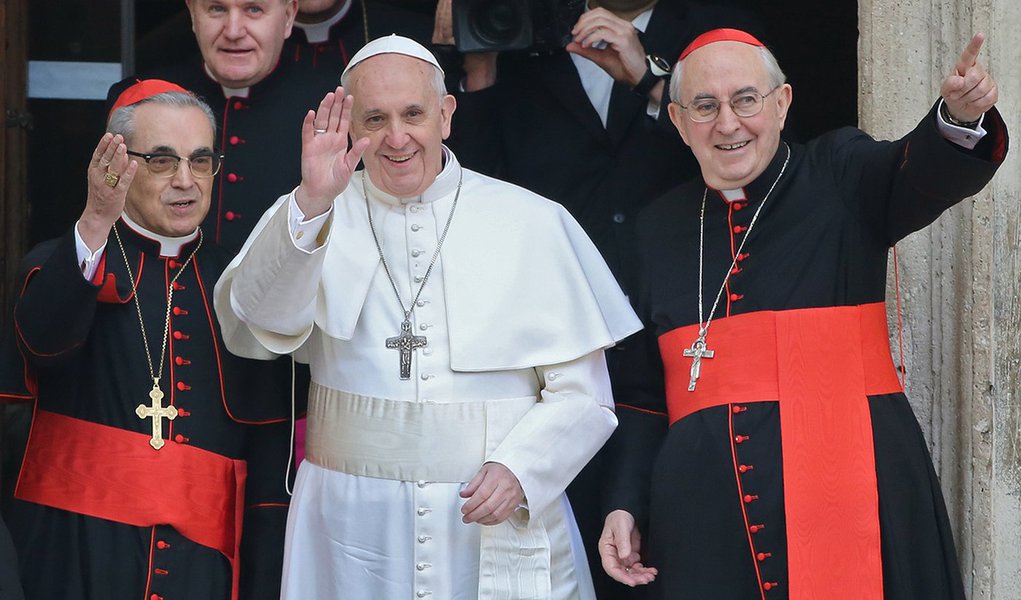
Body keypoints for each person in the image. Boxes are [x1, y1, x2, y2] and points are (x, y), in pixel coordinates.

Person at [214, 34, 641, 599]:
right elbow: (257, 328)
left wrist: (522, 469)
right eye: (375, 118)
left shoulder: (532, 222)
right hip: (350, 527)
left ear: (446, 114)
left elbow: (585, 396)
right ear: (350, 125)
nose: (396, 138)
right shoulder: (313, 211)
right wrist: (313, 201)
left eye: (413, 113)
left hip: (490, 514)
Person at [600, 29, 1007, 599]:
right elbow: (641, 393)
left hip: (854, 484)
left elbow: (915, 174)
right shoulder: (655, 230)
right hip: (704, 521)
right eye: (705, 106)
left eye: (746, 99)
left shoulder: (840, 173)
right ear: (676, 119)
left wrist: (957, 119)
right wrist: (624, 500)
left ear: (783, 103)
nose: (728, 124)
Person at [443, 1, 760, 595]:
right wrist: (478, 64)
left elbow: (745, 161)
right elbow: (474, 189)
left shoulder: (712, 33)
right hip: (552, 344)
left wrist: (650, 81)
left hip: (683, 329)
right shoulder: (526, 33)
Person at [0, 80, 296, 599]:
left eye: (200, 161)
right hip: (74, 558)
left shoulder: (242, 284)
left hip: (202, 573)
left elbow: (270, 464)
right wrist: (95, 220)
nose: (185, 180)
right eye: (161, 161)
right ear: (117, 165)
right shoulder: (61, 262)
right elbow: (44, 344)